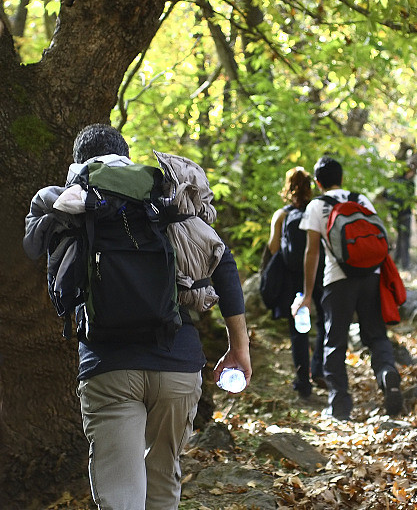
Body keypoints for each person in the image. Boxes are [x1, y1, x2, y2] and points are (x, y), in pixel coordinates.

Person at [23, 124, 252, 510]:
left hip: (108, 369)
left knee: (121, 496)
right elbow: (221, 263)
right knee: (163, 482)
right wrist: (238, 347)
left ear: (80, 162)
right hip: (177, 364)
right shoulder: (163, 198)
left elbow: (39, 255)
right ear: (126, 156)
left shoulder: (71, 201)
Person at [294, 155, 403, 421]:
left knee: (335, 342)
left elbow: (312, 253)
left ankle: (340, 405)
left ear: (318, 182)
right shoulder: (361, 199)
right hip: (372, 277)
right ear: (341, 178)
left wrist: (308, 295)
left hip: (338, 280)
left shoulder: (316, 206)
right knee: (376, 335)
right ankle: (387, 372)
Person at [266, 167, 326, 399]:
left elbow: (273, 248)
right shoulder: (317, 210)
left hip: (293, 278)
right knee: (324, 321)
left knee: (298, 329)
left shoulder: (281, 214)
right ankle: (319, 368)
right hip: (318, 273)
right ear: (310, 186)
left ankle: (303, 382)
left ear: (287, 186)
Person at [381, 164, 417, 269]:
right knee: (404, 238)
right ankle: (405, 263)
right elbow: (411, 197)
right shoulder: (409, 184)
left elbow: (385, 195)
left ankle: (396, 259)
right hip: (405, 213)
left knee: (399, 236)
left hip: (394, 214)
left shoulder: (392, 182)